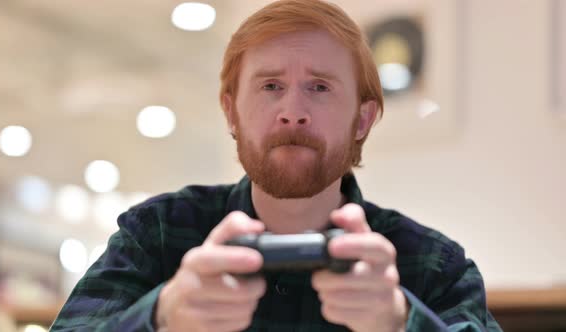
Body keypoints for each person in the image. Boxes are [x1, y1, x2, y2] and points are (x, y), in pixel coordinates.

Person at [51, 0, 501, 331]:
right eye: (270, 86)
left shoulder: (435, 268)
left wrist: (401, 321)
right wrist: (162, 315)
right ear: (231, 112)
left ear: (362, 118)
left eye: (320, 87)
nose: (292, 111)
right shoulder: (158, 234)